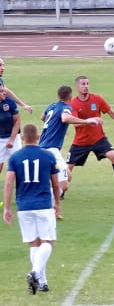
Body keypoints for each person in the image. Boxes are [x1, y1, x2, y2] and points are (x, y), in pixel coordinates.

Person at [3, 123, 60, 295]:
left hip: (23, 206)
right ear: (38, 137)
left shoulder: (15, 158)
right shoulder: (48, 155)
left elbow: (8, 183)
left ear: (22, 138)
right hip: (43, 205)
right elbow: (55, 183)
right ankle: (35, 273)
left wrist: (6, 207)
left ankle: (42, 282)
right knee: (48, 242)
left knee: (34, 243)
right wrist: (57, 202)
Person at [66, 75, 114, 197]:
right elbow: (76, 124)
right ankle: (60, 192)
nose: (86, 86)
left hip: (98, 139)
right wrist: (92, 120)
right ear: (77, 87)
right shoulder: (73, 104)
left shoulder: (97, 99)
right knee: (68, 168)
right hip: (81, 142)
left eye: (87, 84)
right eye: (83, 84)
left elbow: (111, 113)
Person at [39, 85, 103, 219]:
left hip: (42, 148)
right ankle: (47, 207)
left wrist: (54, 127)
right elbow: (65, 118)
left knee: (68, 175)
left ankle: (50, 205)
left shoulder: (51, 106)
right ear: (70, 96)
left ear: (58, 96)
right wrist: (87, 121)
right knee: (64, 184)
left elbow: (42, 117)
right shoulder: (66, 107)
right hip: (51, 150)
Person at [0, 82, 21, 174]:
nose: (4, 92)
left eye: (4, 90)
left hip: (13, 137)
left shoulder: (9, 102)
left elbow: (17, 121)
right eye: (1, 91)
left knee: (20, 164)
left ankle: (23, 186)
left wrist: (12, 139)